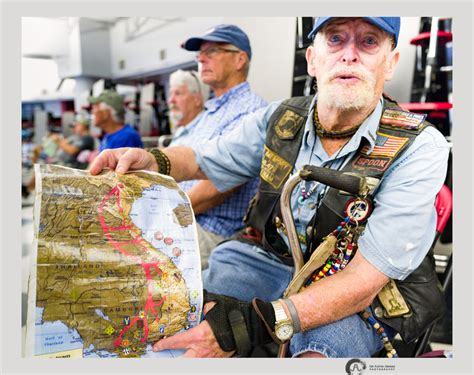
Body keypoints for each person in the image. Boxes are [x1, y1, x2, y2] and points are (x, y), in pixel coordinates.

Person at [90, 17, 450, 358]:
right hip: (267, 261)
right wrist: (154, 160)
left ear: (391, 63)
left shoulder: (420, 146)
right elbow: (206, 158)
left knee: (318, 352)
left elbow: (364, 279)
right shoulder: (281, 118)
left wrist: (256, 322)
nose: (349, 54)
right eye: (336, 38)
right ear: (312, 59)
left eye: (369, 42)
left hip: (357, 288)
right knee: (180, 322)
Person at [163, 24, 267, 268]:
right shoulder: (211, 111)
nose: (201, 58)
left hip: (211, 231)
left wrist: (168, 214)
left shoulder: (250, 110)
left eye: (212, 52)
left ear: (240, 59)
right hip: (190, 220)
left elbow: (220, 184)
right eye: (200, 54)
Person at [167, 69, 210, 143]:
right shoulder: (182, 130)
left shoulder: (206, 133)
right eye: (171, 94)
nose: (171, 100)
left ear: (197, 100)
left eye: (178, 93)